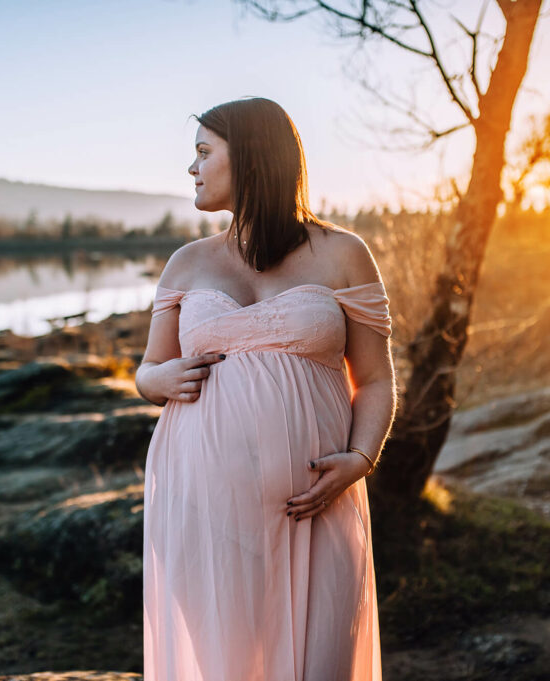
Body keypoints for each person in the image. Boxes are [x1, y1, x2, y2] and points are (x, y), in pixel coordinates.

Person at [135, 97, 397, 681]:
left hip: (315, 502)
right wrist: (162, 378)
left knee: (322, 664)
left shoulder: (343, 254)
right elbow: (147, 371)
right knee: (226, 666)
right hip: (203, 499)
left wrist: (360, 457)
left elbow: (376, 378)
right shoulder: (187, 263)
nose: (192, 168)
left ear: (251, 157)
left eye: (204, 152)